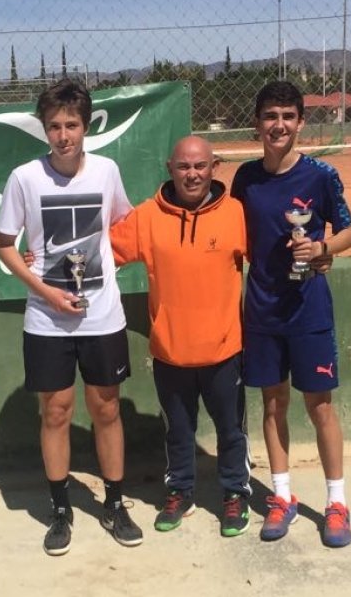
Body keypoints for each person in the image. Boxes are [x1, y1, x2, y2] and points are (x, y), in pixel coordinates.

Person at [0, 78, 143, 556]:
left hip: (102, 316)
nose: (64, 135)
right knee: (55, 412)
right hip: (46, 320)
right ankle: (60, 510)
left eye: (72, 125)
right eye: (55, 126)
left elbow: (121, 225)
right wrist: (46, 291)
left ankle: (115, 504)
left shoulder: (105, 172)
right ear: (44, 129)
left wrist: (104, 267)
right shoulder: (24, 178)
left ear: (86, 125)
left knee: (106, 409)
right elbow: (5, 247)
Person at [229, 80, 351, 548]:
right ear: (258, 124)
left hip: (309, 309)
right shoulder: (245, 179)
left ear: (300, 122)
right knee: (272, 403)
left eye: (287, 116)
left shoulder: (321, 175)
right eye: (270, 116)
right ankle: (281, 496)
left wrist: (322, 247)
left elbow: (350, 232)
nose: (278, 125)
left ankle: (336, 503)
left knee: (320, 406)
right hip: (261, 311)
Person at [108, 135, 253, 537]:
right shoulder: (146, 216)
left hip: (225, 351)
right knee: (178, 431)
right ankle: (180, 492)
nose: (192, 174)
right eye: (184, 167)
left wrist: (315, 252)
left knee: (231, 431)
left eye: (200, 166)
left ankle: (234, 494)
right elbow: (99, 251)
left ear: (214, 167)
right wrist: (43, 257)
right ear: (170, 168)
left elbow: (271, 262)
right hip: (170, 351)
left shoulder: (236, 214)